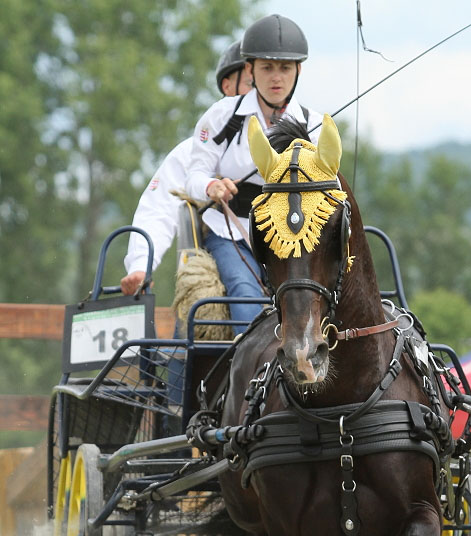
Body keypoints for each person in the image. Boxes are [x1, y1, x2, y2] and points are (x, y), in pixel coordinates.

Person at [185, 14, 323, 334]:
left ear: (298, 70)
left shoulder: (314, 126)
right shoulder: (221, 116)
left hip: (293, 239)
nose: (277, 78)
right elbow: (193, 176)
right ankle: (251, 380)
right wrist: (211, 186)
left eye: (285, 68)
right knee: (247, 297)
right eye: (267, 67)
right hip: (232, 233)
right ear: (250, 69)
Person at [120, 42, 252, 295]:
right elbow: (158, 208)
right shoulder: (192, 152)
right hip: (217, 257)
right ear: (228, 86)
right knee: (220, 300)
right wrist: (140, 264)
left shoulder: (287, 147)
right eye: (250, 84)